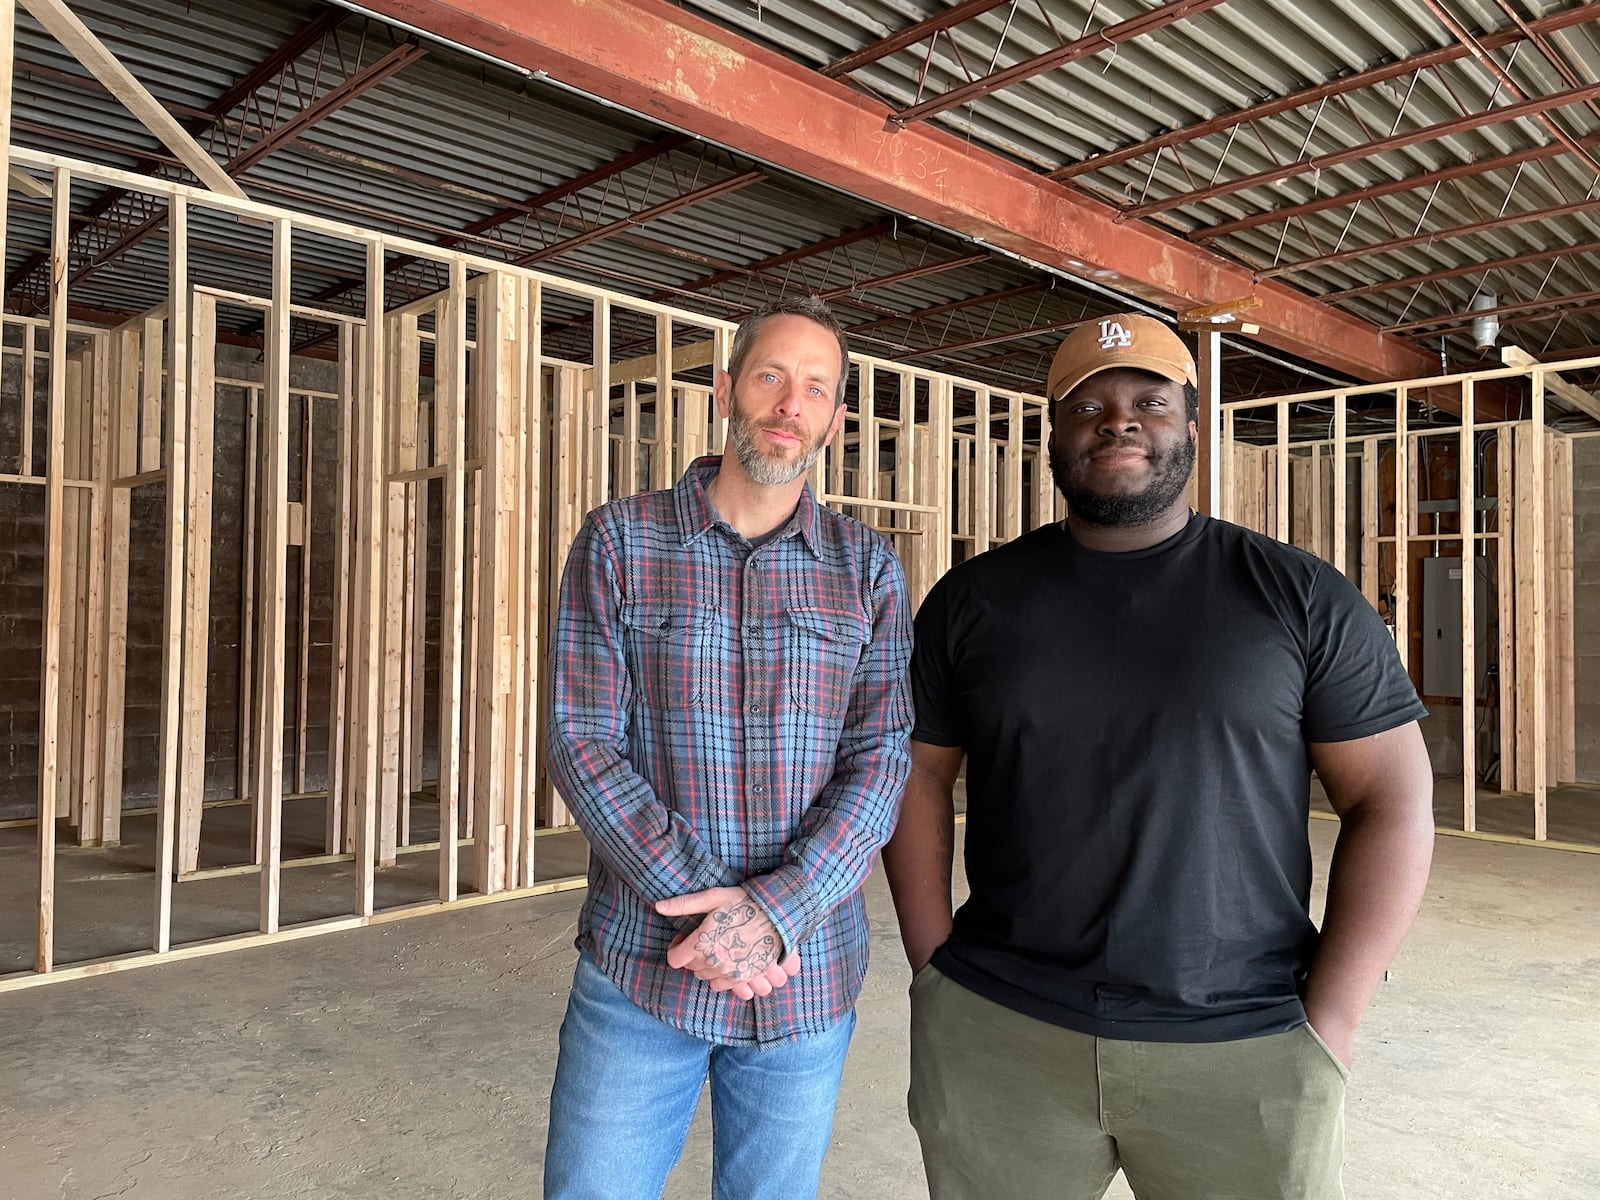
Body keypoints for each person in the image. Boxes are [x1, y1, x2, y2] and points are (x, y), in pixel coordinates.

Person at [882, 312, 1435, 1199]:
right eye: (1088, 405)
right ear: (1055, 433)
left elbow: (1394, 799)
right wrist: (932, 965)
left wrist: (1333, 1013)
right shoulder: (975, 600)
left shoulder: (1295, 595)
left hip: (1245, 1046)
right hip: (1001, 1033)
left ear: (1190, 425)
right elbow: (915, 772)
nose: (1119, 420)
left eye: (1150, 401)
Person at [542, 297, 914, 1199]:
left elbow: (883, 758)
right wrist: (708, 916)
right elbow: (581, 738)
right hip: (642, 971)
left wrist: (777, 911)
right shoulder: (622, 540)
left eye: (816, 388)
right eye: (772, 376)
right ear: (726, 390)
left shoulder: (867, 568)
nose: (792, 403)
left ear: (833, 418)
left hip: (805, 977)